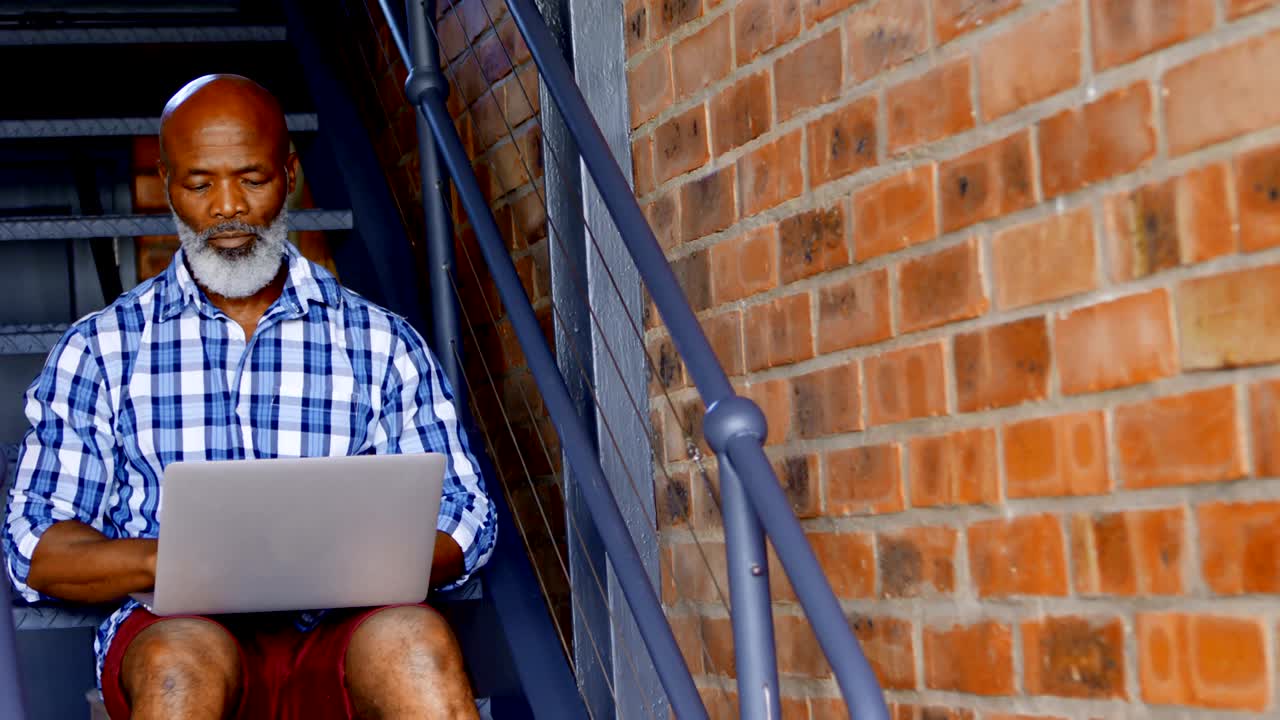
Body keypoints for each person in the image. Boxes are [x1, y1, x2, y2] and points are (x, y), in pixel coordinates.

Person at [1, 74, 496, 720]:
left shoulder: (381, 343)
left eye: (252, 179)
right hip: (177, 627)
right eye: (199, 184)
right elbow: (36, 543)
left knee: (418, 649)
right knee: (178, 665)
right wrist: (188, 561)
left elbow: (465, 516)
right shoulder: (101, 349)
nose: (228, 207)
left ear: (289, 174)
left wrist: (332, 562)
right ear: (168, 183)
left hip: (344, 629)